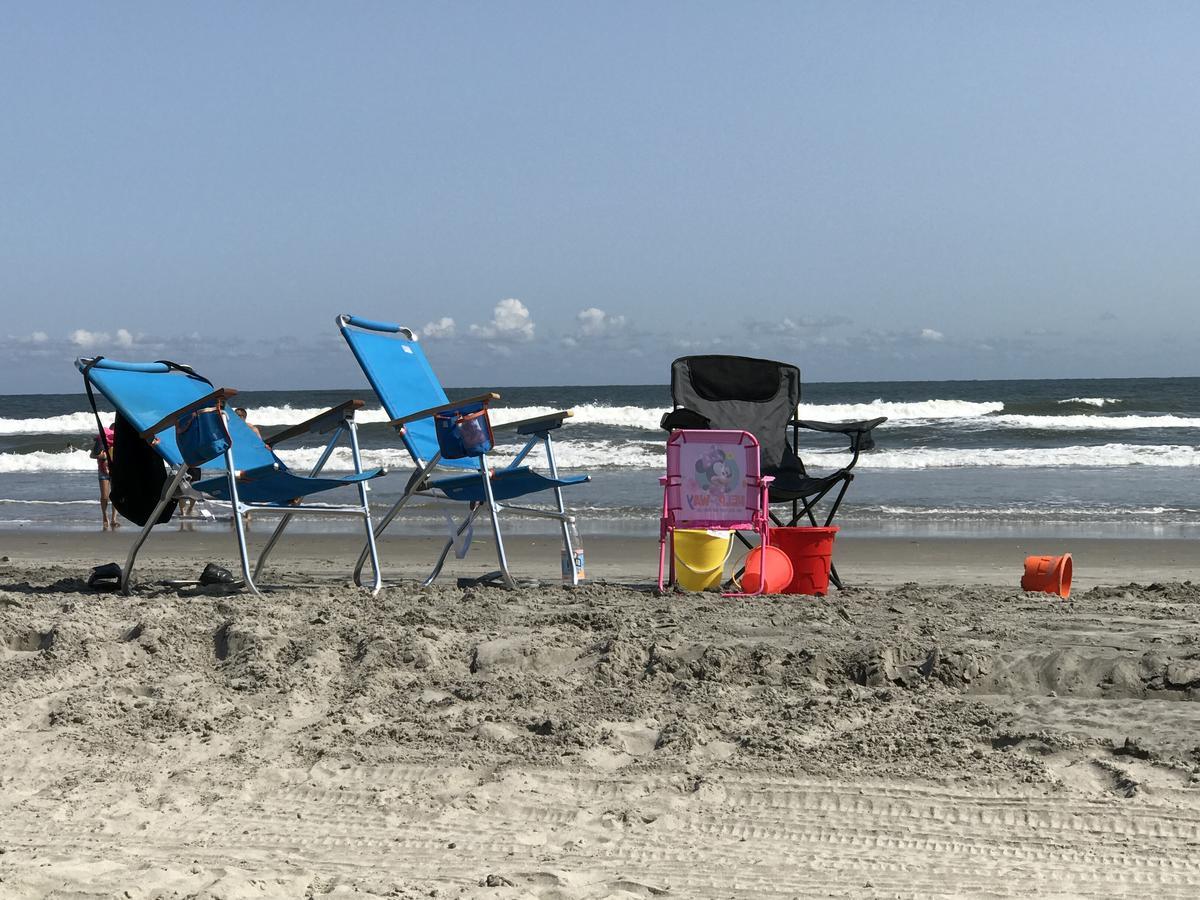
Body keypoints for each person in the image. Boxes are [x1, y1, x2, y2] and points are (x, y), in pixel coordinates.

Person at [90, 423, 119, 530]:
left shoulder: (118, 443)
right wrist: (103, 455)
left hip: (115, 472)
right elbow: (92, 455)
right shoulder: (101, 442)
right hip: (103, 471)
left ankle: (114, 519)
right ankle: (105, 516)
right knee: (104, 497)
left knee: (115, 495)